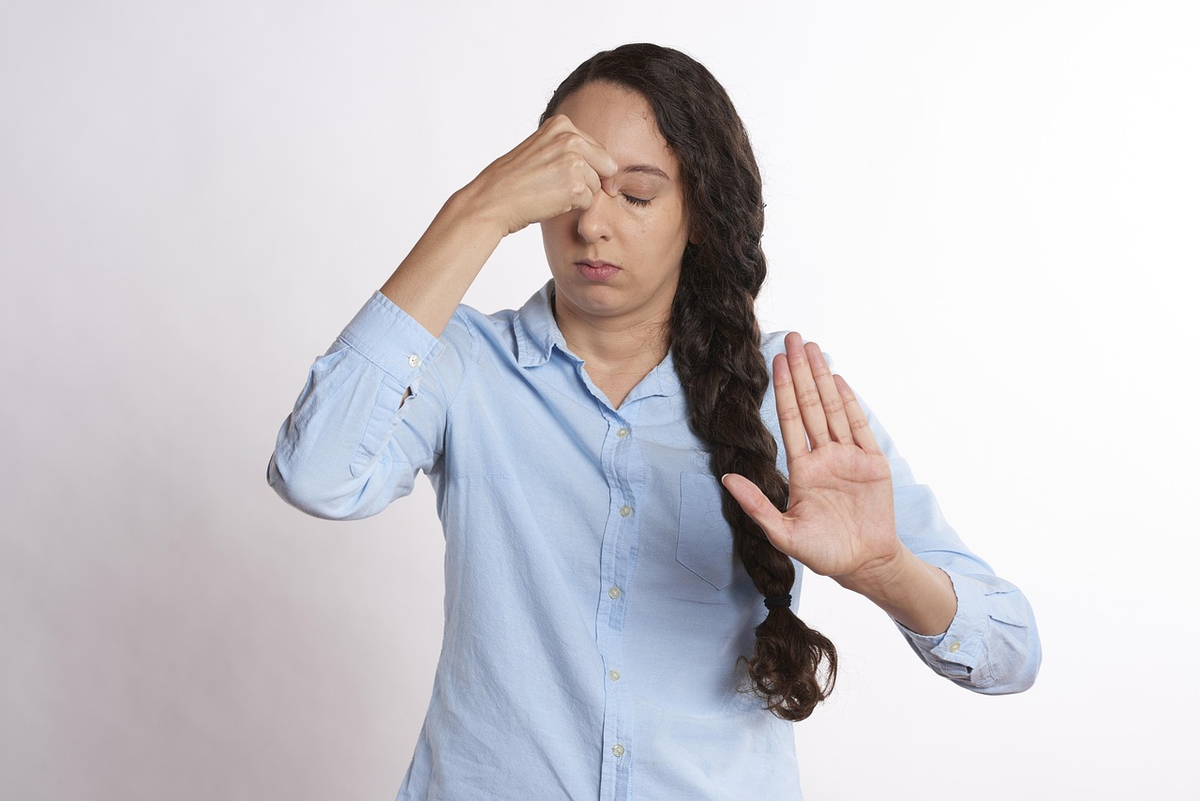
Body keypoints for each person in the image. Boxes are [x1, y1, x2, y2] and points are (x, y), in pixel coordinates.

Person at [268, 43, 1040, 800]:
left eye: (635, 196)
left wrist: (882, 569)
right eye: (568, 193)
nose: (592, 227)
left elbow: (1008, 649)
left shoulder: (786, 396)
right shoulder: (464, 364)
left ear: (698, 212)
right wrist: (474, 213)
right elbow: (316, 472)